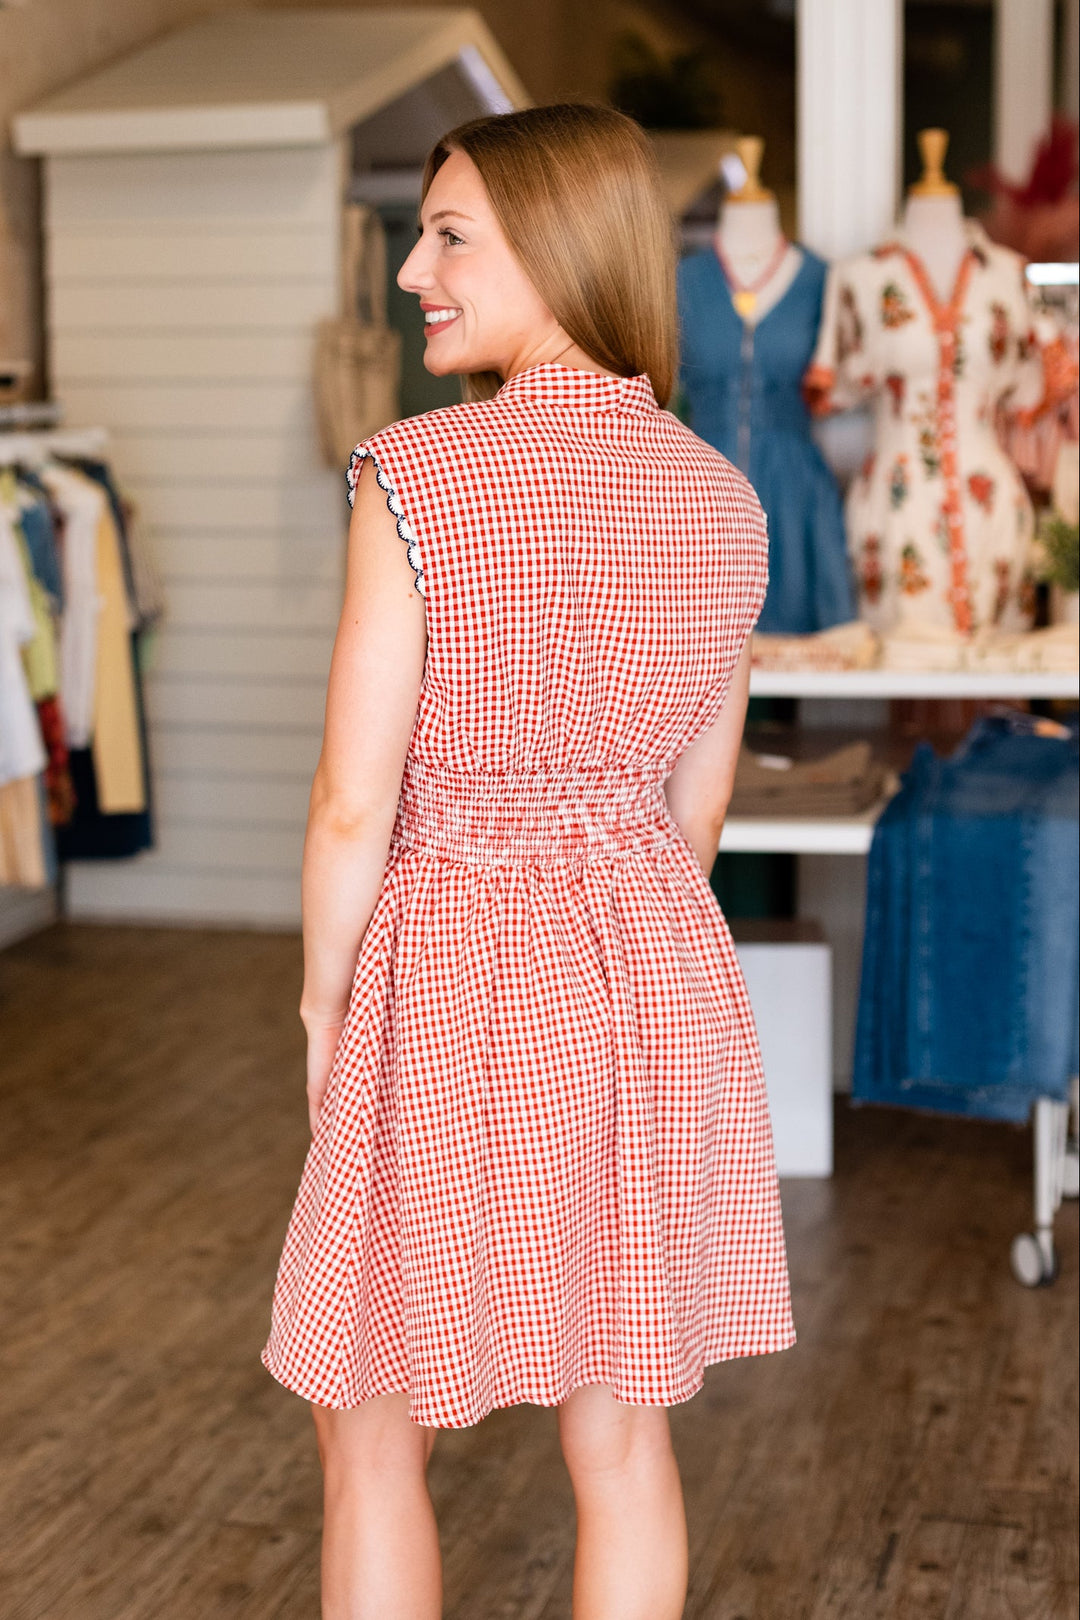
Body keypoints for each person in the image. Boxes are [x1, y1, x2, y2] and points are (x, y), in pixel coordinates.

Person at [262, 102, 795, 1620]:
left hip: (451, 959)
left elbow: (352, 800)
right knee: (619, 1421)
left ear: (558, 251)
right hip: (647, 970)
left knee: (367, 1414)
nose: (412, 273)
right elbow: (694, 819)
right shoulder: (724, 501)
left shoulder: (417, 476)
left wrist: (323, 1005)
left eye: (450, 238)